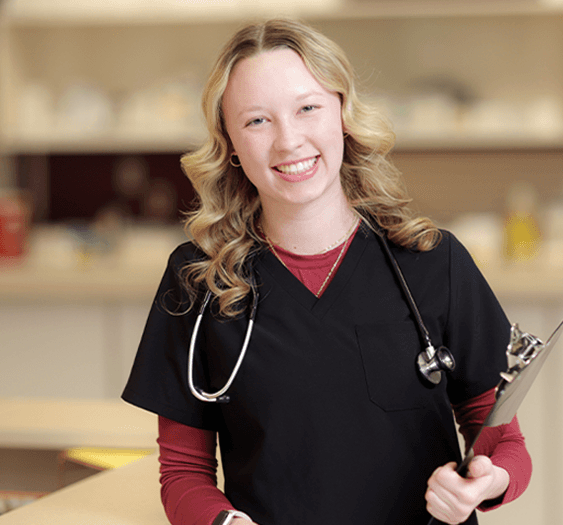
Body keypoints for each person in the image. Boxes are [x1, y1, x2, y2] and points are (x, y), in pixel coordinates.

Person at [121, 19, 531, 525]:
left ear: (342, 114)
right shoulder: (200, 280)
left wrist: (486, 482)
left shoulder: (432, 261)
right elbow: (183, 472)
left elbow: (504, 443)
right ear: (230, 143)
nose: (288, 141)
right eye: (257, 121)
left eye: (307, 108)